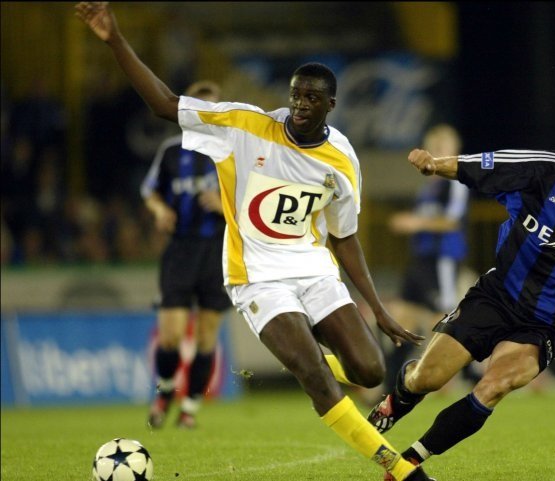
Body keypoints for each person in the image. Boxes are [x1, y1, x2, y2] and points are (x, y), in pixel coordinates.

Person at [75, 3, 434, 480]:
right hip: (257, 277)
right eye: (295, 95)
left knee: (369, 371)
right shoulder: (243, 126)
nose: (300, 105)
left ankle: (310, 358)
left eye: (312, 98)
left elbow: (344, 237)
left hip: (314, 270)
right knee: (318, 381)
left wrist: (378, 309)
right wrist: (115, 39)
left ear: (331, 104)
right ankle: (398, 466)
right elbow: (164, 104)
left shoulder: (342, 159)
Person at [368, 106, 555, 476]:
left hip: (547, 323)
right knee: (428, 379)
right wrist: (435, 164)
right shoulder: (544, 169)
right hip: (497, 295)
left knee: (496, 385)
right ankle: (397, 399)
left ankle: (408, 462)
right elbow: (483, 164)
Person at [140, 80, 231, 429]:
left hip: (217, 253)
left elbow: (253, 201)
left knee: (207, 337)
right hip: (179, 250)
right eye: (200, 109)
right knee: (171, 336)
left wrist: (226, 205)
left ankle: (189, 408)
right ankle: (164, 392)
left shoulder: (231, 151)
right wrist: (159, 210)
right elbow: (149, 191)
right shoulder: (171, 151)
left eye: (214, 109)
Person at [382, 124, 474, 395]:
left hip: (442, 260)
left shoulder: (456, 183)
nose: (436, 155)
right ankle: (391, 387)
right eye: (433, 149)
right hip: (420, 261)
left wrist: (414, 222)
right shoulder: (429, 188)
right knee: (400, 319)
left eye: (443, 149)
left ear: (454, 152)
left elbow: (452, 222)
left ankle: (463, 375)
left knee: (442, 318)